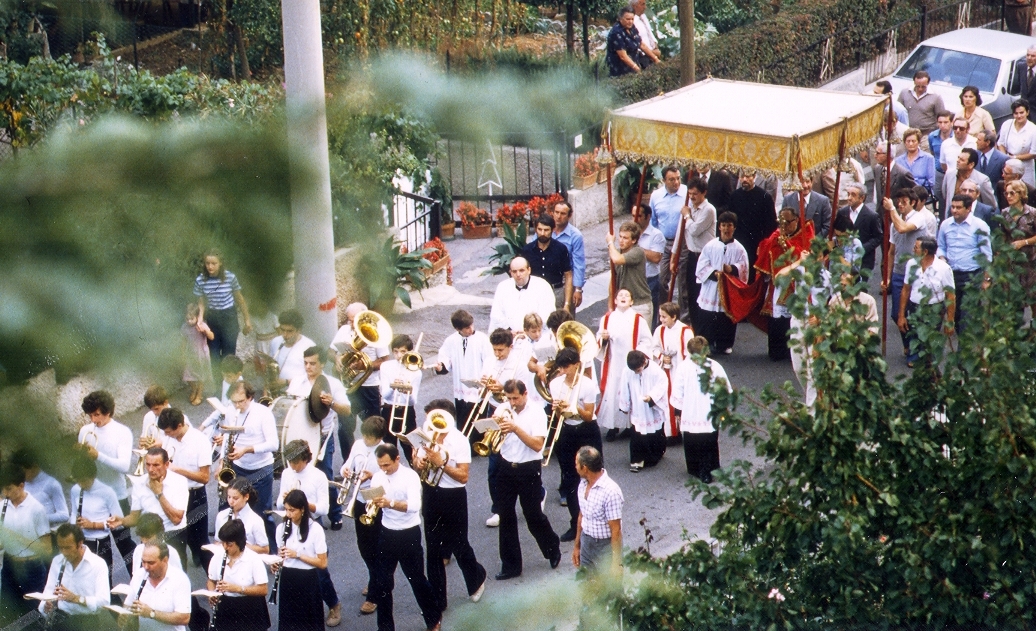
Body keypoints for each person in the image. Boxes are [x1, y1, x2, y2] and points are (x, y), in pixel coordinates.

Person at [412, 399, 488, 610]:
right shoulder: (426, 434)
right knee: (433, 549)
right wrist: (418, 464)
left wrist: (442, 463)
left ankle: (476, 578)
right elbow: (418, 464)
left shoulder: (460, 440)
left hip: (453, 496)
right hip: (431, 493)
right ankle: (438, 599)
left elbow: (463, 476)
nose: (432, 425)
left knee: (459, 544)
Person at [492, 380, 562, 580]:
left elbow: (537, 445)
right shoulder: (503, 408)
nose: (512, 402)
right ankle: (511, 565)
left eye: (515, 398)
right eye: (509, 398)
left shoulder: (537, 412)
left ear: (525, 394)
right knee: (506, 515)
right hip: (506, 467)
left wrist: (515, 428)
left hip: (528, 469)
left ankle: (552, 547)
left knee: (532, 515)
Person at [368, 444, 443, 631]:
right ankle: (385, 627)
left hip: (408, 534)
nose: (384, 470)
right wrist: (373, 504)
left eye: (387, 465)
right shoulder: (378, 477)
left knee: (417, 580)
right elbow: (374, 501)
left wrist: (390, 503)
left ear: (397, 459)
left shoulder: (410, 476)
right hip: (387, 533)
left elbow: (414, 506)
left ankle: (433, 620)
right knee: (383, 583)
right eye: (381, 466)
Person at [277, 439, 340, 626]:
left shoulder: (318, 476)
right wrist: (287, 499)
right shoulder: (288, 473)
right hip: (290, 521)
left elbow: (323, 508)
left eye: (295, 462)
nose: (292, 466)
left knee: (319, 572)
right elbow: (280, 504)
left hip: (311, 523)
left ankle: (334, 604)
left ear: (305, 458)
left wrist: (303, 503)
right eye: (289, 462)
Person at [286, 345, 349, 529]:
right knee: (301, 477)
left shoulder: (333, 384)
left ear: (322, 363)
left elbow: (346, 410)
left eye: (312, 363)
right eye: (305, 363)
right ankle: (313, 520)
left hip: (322, 437)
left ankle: (335, 514)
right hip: (300, 438)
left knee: (325, 477)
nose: (308, 367)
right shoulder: (297, 382)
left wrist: (332, 403)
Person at [77, 390, 135, 575]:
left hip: (117, 495)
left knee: (124, 543)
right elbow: (83, 466)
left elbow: (124, 466)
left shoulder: (122, 432)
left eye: (97, 415)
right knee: (98, 547)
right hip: (93, 495)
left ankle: (138, 583)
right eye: (90, 415)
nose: (93, 420)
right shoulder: (85, 431)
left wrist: (98, 455)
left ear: (108, 412)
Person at [546, 348, 601, 542]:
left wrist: (571, 404)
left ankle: (595, 522)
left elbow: (587, 415)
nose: (562, 371)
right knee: (569, 478)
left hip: (586, 430)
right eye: (559, 367)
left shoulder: (587, 385)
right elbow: (559, 415)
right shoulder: (555, 384)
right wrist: (558, 409)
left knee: (591, 477)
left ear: (577, 365)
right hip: (567, 431)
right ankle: (575, 524)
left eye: (566, 367)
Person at [218, 382, 278, 546]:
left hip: (261, 468)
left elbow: (274, 444)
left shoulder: (263, 414)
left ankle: (271, 551)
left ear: (250, 397)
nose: (237, 405)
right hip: (238, 467)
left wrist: (247, 449)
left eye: (241, 401)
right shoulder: (232, 411)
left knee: (261, 513)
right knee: (234, 510)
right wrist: (221, 462)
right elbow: (228, 437)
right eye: (234, 402)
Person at [339, 416, 387, 616]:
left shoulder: (384, 452)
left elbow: (386, 481)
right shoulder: (358, 445)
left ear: (378, 438)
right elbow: (346, 465)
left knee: (375, 547)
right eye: (365, 435)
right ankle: (374, 579)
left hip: (374, 500)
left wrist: (372, 477)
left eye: (370, 437)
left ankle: (375, 595)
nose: (366, 440)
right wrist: (346, 471)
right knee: (364, 546)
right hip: (358, 499)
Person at [108, 448, 189, 564]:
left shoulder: (179, 482)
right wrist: (121, 521)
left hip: (172, 534)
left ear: (166, 464)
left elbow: (176, 519)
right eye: (148, 465)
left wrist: (159, 494)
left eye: (156, 465)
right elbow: (135, 517)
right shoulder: (140, 483)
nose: (151, 469)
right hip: (149, 534)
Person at [331, 302, 391, 457]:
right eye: (349, 320)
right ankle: (349, 463)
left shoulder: (374, 332)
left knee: (373, 428)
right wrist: (337, 358)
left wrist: (366, 365)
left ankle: (375, 461)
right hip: (348, 388)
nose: (350, 324)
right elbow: (331, 351)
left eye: (353, 320)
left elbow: (385, 360)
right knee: (344, 429)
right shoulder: (344, 330)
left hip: (369, 387)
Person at [883, 188, 938, 349]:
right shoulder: (896, 220)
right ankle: (908, 343)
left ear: (912, 203)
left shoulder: (919, 218)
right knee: (896, 314)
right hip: (899, 272)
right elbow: (891, 251)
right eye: (898, 202)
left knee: (914, 312)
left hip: (916, 272)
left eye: (903, 202)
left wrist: (891, 208)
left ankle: (916, 349)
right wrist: (887, 276)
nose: (899, 205)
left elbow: (903, 228)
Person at [671, 337, 732, 482]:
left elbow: (724, 388)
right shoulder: (683, 367)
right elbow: (678, 390)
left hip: (709, 410)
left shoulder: (714, 366)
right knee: (692, 440)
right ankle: (694, 468)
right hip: (691, 410)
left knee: (708, 441)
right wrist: (678, 411)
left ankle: (709, 470)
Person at [156, 407, 211, 568]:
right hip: (173, 493)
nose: (166, 436)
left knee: (200, 541)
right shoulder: (169, 439)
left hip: (194, 495)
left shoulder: (200, 441)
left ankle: (213, 582)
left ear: (179, 426)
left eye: (168, 432)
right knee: (177, 540)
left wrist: (177, 469)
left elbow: (204, 477)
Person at [758, 208, 815, 361]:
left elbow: (806, 254)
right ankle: (777, 351)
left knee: (797, 318)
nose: (783, 226)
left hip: (798, 283)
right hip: (780, 283)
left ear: (796, 221)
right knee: (778, 317)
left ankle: (796, 351)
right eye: (780, 222)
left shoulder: (805, 234)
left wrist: (788, 246)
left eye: (787, 222)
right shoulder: (777, 236)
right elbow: (767, 249)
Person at [596, 289, 652, 441]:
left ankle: (630, 426)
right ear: (615, 301)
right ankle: (613, 426)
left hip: (630, 364)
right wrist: (604, 339)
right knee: (613, 393)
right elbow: (599, 340)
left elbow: (646, 341)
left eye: (627, 295)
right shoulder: (607, 319)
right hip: (614, 362)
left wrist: (638, 355)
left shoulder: (637, 319)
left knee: (631, 393)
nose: (623, 297)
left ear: (632, 302)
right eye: (620, 295)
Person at [434, 310, 494, 448]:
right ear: (457, 329)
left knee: (478, 414)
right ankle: (464, 444)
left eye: (472, 325)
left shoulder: (482, 339)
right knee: (462, 415)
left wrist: (485, 377)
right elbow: (445, 358)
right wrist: (441, 366)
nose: (471, 329)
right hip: (460, 386)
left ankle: (479, 444)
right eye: (467, 328)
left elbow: (489, 360)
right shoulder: (451, 340)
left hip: (477, 384)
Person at [0, 463, 50, 625]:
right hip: (9, 565)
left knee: (32, 616)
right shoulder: (2, 506)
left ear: (21, 486)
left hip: (31, 568)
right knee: (7, 613)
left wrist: (14, 537)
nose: (5, 494)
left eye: (8, 489)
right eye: (3, 489)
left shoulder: (36, 509)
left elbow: (46, 549)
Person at [937, 194, 993, 333]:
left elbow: (986, 254)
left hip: (972, 277)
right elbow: (941, 246)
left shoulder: (980, 226)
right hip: (951, 276)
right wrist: (942, 258)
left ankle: (963, 351)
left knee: (966, 317)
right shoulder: (945, 224)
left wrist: (986, 279)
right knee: (955, 314)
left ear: (968, 208)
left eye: (958, 207)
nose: (954, 210)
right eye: (953, 207)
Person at [37, 523, 109, 631]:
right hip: (60, 620)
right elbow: (48, 592)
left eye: (68, 548)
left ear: (80, 543)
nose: (64, 552)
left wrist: (76, 599)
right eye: (61, 548)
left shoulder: (98, 564)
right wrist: (45, 605)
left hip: (87, 623)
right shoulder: (57, 561)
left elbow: (104, 602)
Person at [695, 212, 749, 356]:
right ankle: (705, 344)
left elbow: (744, 267)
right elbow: (701, 265)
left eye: (729, 225)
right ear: (719, 227)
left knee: (726, 317)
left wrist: (732, 268)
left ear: (734, 228)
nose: (726, 229)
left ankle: (724, 344)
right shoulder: (711, 246)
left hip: (728, 288)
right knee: (708, 316)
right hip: (711, 287)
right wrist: (714, 273)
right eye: (723, 225)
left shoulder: (739, 249)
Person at [194, 249, 252, 382]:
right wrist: (200, 318)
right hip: (213, 319)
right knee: (214, 356)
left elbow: (240, 299)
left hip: (229, 318)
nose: (210, 266)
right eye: (207, 263)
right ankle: (218, 389)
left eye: (214, 263)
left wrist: (247, 320)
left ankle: (230, 388)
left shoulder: (230, 277)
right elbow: (201, 301)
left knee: (228, 355)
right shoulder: (201, 280)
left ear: (220, 263)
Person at [273, 490, 327, 631]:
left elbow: (322, 563)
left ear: (302, 509)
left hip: (307, 579)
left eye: (292, 510)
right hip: (288, 577)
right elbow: (281, 555)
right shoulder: (281, 529)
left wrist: (298, 555)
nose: (288, 514)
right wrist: (276, 562)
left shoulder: (316, 530)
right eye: (286, 510)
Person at [899, 237, 956, 366]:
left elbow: (950, 295)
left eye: (916, 248)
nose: (913, 250)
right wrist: (901, 315)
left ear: (925, 252)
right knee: (914, 332)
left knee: (931, 337)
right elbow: (906, 289)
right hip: (914, 306)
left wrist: (950, 320)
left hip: (934, 309)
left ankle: (930, 359)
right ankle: (913, 357)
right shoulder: (911, 264)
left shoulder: (943, 269)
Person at [206, 519, 270, 631]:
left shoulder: (253, 559)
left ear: (239, 542)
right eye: (223, 543)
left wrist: (237, 589)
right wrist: (212, 593)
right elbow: (211, 580)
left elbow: (263, 589)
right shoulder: (217, 557)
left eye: (229, 544)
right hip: (226, 605)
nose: (225, 547)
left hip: (249, 607)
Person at [69, 456, 123, 584]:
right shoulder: (76, 490)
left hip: (101, 542)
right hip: (82, 541)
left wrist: (93, 525)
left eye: (84, 481)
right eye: (78, 481)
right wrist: (73, 526)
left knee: (102, 581)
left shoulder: (107, 492)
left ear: (93, 476)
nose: (81, 484)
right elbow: (73, 512)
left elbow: (119, 522)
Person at [571, 446, 623, 578]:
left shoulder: (611, 491)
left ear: (585, 468)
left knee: (610, 591)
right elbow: (581, 516)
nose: (575, 466)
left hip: (605, 548)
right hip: (586, 543)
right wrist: (577, 546)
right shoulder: (582, 485)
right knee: (586, 587)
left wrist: (616, 563)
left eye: (577, 463)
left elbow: (616, 530)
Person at [121, 541, 191, 631]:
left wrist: (151, 613)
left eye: (151, 563)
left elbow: (184, 618)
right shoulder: (139, 575)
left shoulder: (180, 579)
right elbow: (128, 603)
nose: (146, 567)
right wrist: (125, 615)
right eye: (143, 562)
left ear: (165, 560)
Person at [618, 350, 668, 472]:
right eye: (634, 371)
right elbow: (624, 387)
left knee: (655, 431)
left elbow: (662, 385)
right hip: (637, 407)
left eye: (638, 370)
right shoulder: (627, 370)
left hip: (650, 408)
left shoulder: (656, 371)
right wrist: (624, 405)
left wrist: (651, 396)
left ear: (644, 362)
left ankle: (653, 457)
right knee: (637, 433)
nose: (636, 373)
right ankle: (637, 460)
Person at [651, 302, 693, 438]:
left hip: (681, 371)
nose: (661, 320)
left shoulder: (685, 331)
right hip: (666, 371)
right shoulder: (660, 330)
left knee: (682, 400)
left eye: (664, 317)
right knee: (667, 400)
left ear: (674, 317)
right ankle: (670, 432)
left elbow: (691, 353)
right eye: (660, 316)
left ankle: (683, 431)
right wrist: (662, 357)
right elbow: (654, 348)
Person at [379, 335, 423, 462]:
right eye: (396, 351)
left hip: (407, 412)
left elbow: (413, 401)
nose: (399, 355)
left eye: (403, 351)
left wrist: (405, 391)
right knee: (388, 450)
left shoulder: (416, 371)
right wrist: (393, 386)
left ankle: (417, 476)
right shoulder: (386, 366)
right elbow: (385, 395)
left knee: (411, 449)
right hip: (388, 410)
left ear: (409, 352)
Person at [680, 177, 717, 326]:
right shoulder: (690, 207)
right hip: (692, 255)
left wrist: (687, 216)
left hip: (706, 257)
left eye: (695, 194)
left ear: (704, 193)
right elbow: (683, 232)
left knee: (705, 294)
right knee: (692, 293)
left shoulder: (709, 210)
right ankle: (695, 328)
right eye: (690, 193)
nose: (692, 197)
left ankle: (705, 330)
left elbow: (694, 230)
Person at [650, 166, 689, 302]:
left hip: (683, 244)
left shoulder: (687, 194)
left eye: (678, 178)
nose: (676, 182)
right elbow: (652, 221)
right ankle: (665, 311)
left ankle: (683, 317)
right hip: (664, 243)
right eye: (672, 180)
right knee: (661, 280)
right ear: (664, 180)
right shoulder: (656, 196)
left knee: (682, 283)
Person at [730, 171, 777, 281]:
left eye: (748, 176)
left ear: (754, 177)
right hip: (739, 242)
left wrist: (764, 244)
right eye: (742, 176)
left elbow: (771, 224)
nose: (745, 179)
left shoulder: (765, 197)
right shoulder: (734, 196)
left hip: (756, 244)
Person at [521, 213, 573, 312]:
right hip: (534, 293)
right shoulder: (527, 250)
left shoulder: (561, 249)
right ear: (536, 229)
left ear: (552, 230)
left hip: (556, 292)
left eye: (546, 230)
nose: (543, 233)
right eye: (540, 230)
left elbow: (568, 275)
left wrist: (567, 303)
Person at [489, 257, 555, 334]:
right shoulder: (502, 287)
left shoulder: (543, 286)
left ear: (529, 270)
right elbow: (496, 314)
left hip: (536, 335)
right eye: (514, 271)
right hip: (509, 336)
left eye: (521, 270)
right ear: (510, 272)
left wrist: (528, 332)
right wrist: (510, 331)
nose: (518, 274)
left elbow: (547, 314)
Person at [14, 450, 68, 541]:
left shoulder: (52, 484)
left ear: (34, 467)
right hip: (27, 535)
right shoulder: (22, 484)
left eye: (24, 471)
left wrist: (39, 518)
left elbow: (64, 515)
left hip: (48, 535)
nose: (21, 475)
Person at [607, 221, 654, 324]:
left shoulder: (638, 252)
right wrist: (610, 305)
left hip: (640, 304)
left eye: (625, 238)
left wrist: (610, 242)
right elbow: (613, 280)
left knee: (641, 338)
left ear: (634, 240)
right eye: (620, 236)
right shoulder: (617, 252)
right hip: (623, 304)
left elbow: (617, 259)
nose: (621, 241)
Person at [1001, 180, 1036, 305]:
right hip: (1012, 262)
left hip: (1030, 261)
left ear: (1021, 194)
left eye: (1012, 193)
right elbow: (1003, 235)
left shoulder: (1032, 213)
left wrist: (1024, 242)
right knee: (1012, 295)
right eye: (1006, 193)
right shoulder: (1004, 213)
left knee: (1032, 296)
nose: (1009, 196)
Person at [214, 477, 269, 554]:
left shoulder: (255, 520)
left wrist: (240, 546)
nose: (231, 502)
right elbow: (218, 541)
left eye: (235, 498)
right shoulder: (221, 516)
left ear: (246, 497)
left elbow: (265, 549)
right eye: (229, 497)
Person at [836, 184, 882, 274]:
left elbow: (878, 237)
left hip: (863, 261)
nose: (849, 198)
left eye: (853, 195)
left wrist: (861, 248)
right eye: (848, 194)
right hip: (844, 260)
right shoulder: (842, 212)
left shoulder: (871, 216)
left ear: (862, 198)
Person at [634, 204, 666, 328]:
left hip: (649, 280)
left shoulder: (656, 235)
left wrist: (636, 249)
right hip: (634, 279)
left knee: (648, 315)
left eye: (639, 216)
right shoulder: (631, 233)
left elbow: (656, 258)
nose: (635, 219)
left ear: (648, 217)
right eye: (633, 216)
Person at [551, 201, 587, 313]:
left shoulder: (575, 236)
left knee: (566, 320)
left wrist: (578, 289)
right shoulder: (545, 230)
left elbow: (579, 264)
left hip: (565, 282)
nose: (558, 216)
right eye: (556, 212)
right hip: (547, 279)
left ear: (569, 216)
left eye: (563, 213)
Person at [267, 309, 315, 391]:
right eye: (282, 330)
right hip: (278, 394)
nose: (285, 335)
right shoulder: (275, 342)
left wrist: (286, 382)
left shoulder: (309, 346)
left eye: (289, 331)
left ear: (298, 330)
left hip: (299, 393)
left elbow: (314, 376)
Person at [997, 99, 1036, 188]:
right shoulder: (1007, 124)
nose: (1019, 116)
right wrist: (1005, 157)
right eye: (1016, 113)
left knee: (1025, 190)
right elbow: (1000, 143)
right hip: (1008, 165)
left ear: (1027, 112)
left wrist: (1015, 158)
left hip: (1025, 168)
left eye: (1021, 113)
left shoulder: (1033, 129)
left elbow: (1033, 153)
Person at [606, 7, 654, 76]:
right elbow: (623, 56)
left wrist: (655, 59)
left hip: (633, 67)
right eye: (628, 19)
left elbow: (641, 44)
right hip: (620, 71)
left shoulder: (631, 28)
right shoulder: (616, 32)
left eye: (632, 19)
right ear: (620, 19)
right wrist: (637, 69)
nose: (631, 21)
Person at [782, 176, 831, 242]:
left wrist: (813, 242)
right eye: (802, 182)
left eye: (808, 182)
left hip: (816, 246)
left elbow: (827, 226)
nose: (805, 186)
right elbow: (783, 224)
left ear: (812, 182)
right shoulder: (787, 200)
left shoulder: (823, 201)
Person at [898, 70, 946, 136]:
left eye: (923, 86)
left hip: (926, 133)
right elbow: (898, 111)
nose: (920, 89)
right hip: (907, 132)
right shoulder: (904, 93)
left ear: (928, 83)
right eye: (918, 86)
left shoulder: (936, 97)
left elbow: (942, 116)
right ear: (914, 82)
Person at [183, 302, 213, 405]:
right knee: (188, 376)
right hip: (190, 355)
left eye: (191, 319)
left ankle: (199, 394)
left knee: (201, 376)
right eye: (187, 319)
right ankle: (194, 389)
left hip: (201, 355)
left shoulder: (202, 325)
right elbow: (184, 340)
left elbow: (212, 337)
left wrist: (205, 331)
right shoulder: (185, 327)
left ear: (197, 317)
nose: (189, 321)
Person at [895, 128, 937, 198]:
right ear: (904, 143)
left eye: (913, 141)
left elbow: (931, 182)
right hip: (904, 197)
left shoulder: (928, 158)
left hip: (922, 196)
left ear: (918, 142)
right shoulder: (898, 160)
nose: (911, 144)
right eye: (908, 141)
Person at [1010, 48, 1036, 120]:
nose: (1029, 58)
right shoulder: (1021, 67)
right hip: (1023, 113)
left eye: (1033, 56)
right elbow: (1020, 86)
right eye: (1028, 55)